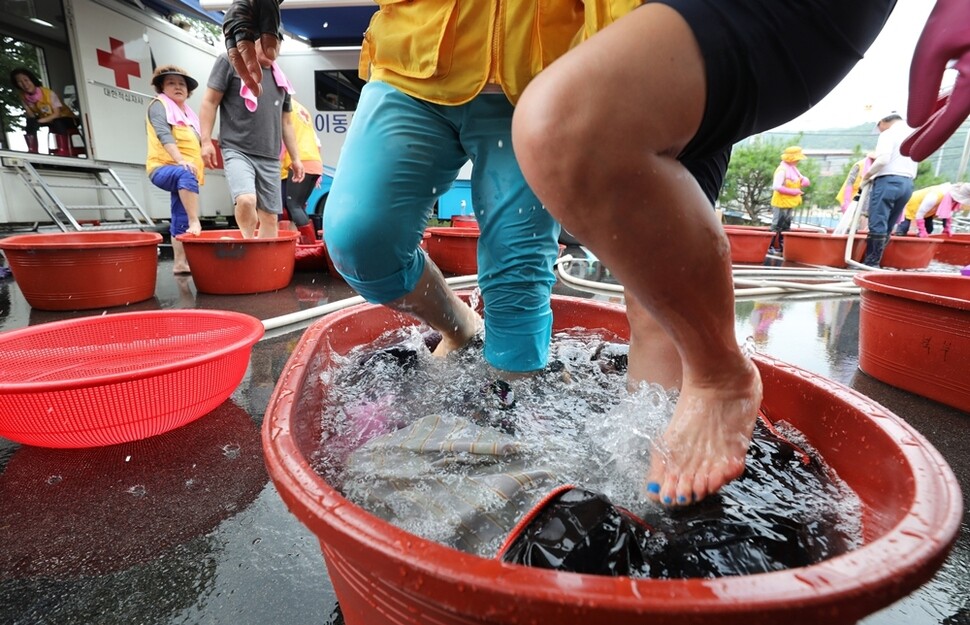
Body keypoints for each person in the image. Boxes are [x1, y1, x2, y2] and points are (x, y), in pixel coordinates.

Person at [221, 0, 970, 507]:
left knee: (529, 274)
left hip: (540, 58)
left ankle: (562, 446)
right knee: (355, 234)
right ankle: (462, 327)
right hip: (419, 54)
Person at [312, 2, 599, 377]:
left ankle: (510, 402)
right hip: (412, 62)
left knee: (518, 276)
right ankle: (459, 325)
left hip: (538, 76)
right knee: (359, 240)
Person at [199, 41, 303, 239]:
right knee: (246, 200)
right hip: (237, 148)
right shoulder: (230, 61)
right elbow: (210, 101)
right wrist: (205, 142)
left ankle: (262, 265)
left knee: (271, 218)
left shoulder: (281, 79)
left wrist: (296, 158)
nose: (273, 50)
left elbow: (287, 123)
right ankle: (248, 244)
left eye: (277, 45)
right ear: (252, 41)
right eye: (267, 42)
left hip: (271, 156)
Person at [145, 65, 204, 274]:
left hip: (183, 172)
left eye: (182, 84)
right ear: (162, 87)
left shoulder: (189, 115)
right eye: (171, 83)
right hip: (162, 167)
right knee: (185, 175)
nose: (178, 87)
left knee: (179, 216)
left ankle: (180, 264)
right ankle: (194, 220)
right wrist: (180, 160)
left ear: (188, 91)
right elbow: (163, 134)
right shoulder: (159, 105)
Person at [860, 111, 918, 266]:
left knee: (878, 223)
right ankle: (877, 262)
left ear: (882, 122)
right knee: (888, 225)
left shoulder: (888, 134)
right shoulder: (913, 133)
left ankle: (870, 264)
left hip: (888, 181)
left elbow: (883, 159)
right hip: (907, 183)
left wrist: (867, 176)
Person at [9, 67, 81, 155]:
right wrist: (31, 117)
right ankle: (33, 151)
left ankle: (63, 151)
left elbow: (57, 114)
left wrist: (40, 121)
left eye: (26, 80)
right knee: (30, 123)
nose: (24, 84)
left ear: (32, 80)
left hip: (66, 118)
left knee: (58, 122)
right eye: (20, 82)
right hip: (47, 118)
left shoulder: (48, 93)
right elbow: (31, 115)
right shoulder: (23, 96)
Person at [279, 98, 322, 245]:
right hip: (314, 160)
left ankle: (310, 245)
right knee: (298, 207)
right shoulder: (302, 109)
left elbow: (280, 137)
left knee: (293, 206)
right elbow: (317, 141)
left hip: (300, 159)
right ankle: (299, 244)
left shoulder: (282, 107)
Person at [769, 146, 811, 252]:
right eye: (797, 159)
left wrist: (804, 180)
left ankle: (782, 247)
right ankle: (770, 247)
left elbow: (801, 179)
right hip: (780, 202)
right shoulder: (782, 170)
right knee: (776, 224)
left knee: (786, 225)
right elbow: (776, 186)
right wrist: (793, 192)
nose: (798, 161)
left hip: (789, 202)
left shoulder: (793, 169)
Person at [895, 182, 970, 237]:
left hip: (928, 211)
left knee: (929, 229)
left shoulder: (951, 201)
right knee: (903, 228)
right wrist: (921, 230)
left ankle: (919, 245)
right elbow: (920, 214)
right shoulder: (935, 196)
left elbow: (947, 214)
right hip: (912, 205)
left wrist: (947, 227)